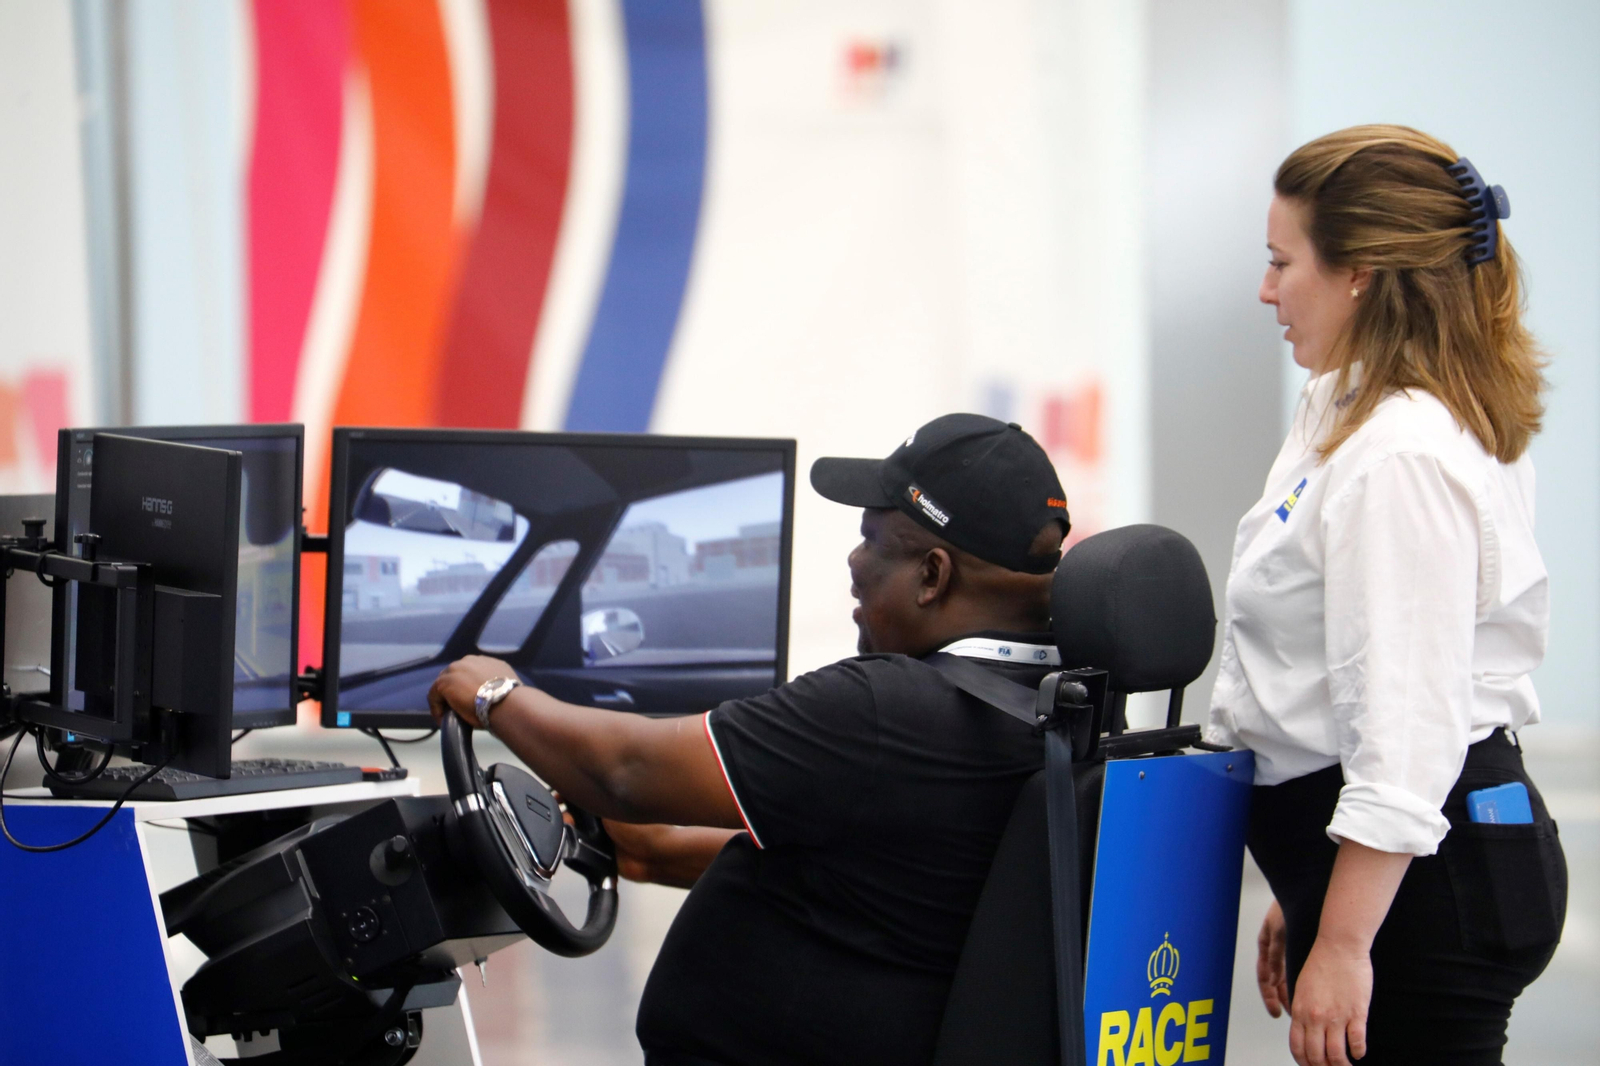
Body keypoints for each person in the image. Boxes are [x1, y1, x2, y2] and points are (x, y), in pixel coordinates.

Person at [428, 413, 1073, 1066]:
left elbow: (627, 770)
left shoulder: (885, 709)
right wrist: (645, 849)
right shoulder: (1057, 710)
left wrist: (496, 696)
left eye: (871, 539)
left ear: (932, 576)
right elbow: (877, 880)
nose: (854, 562)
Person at [1206, 125, 1567, 1066]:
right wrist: (1309, 892)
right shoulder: (1344, 407)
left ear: (1360, 272)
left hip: (1433, 890)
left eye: (1283, 262)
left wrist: (1346, 938)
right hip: (1390, 872)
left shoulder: (1402, 453)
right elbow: (1327, 685)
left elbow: (1406, 724)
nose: (1266, 289)